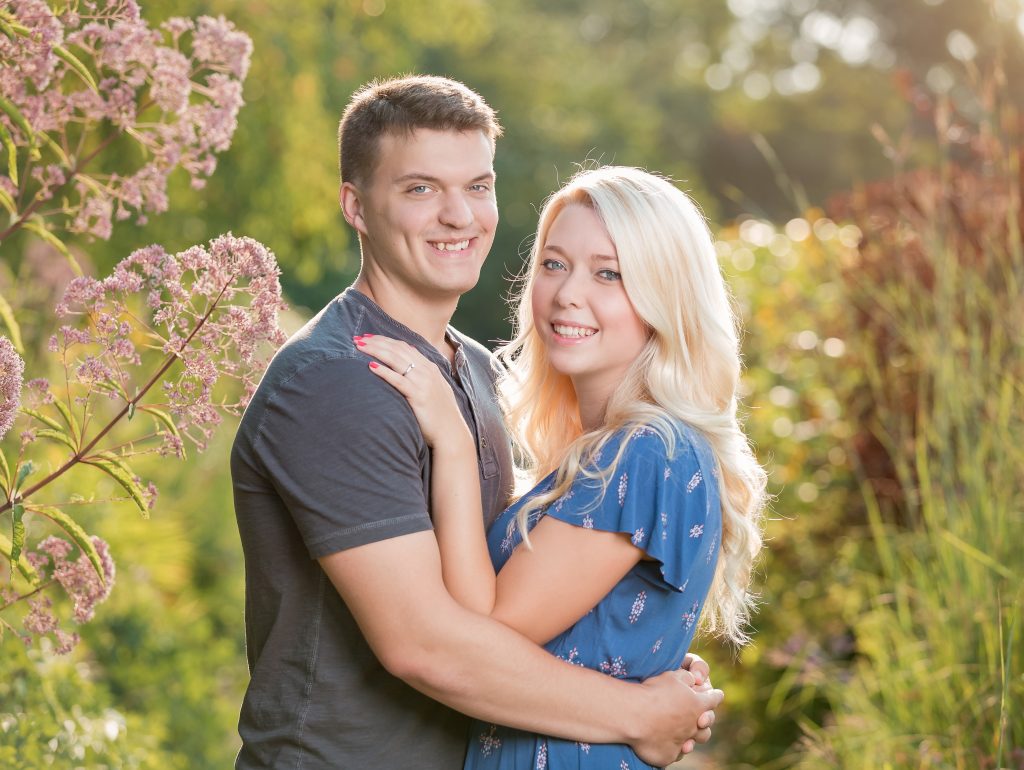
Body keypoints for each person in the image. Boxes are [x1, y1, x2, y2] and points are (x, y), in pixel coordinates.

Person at [231, 76, 723, 770]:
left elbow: (505, 579)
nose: (459, 215)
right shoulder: (340, 380)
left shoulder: (472, 372)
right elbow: (425, 645)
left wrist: (630, 650)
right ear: (357, 205)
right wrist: (639, 711)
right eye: (421, 189)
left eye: (478, 186)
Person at [357, 165, 767, 769]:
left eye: (609, 273)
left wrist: (451, 437)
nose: (568, 293)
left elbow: (484, 628)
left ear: (664, 295)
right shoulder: (619, 451)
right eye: (554, 264)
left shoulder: (647, 449)